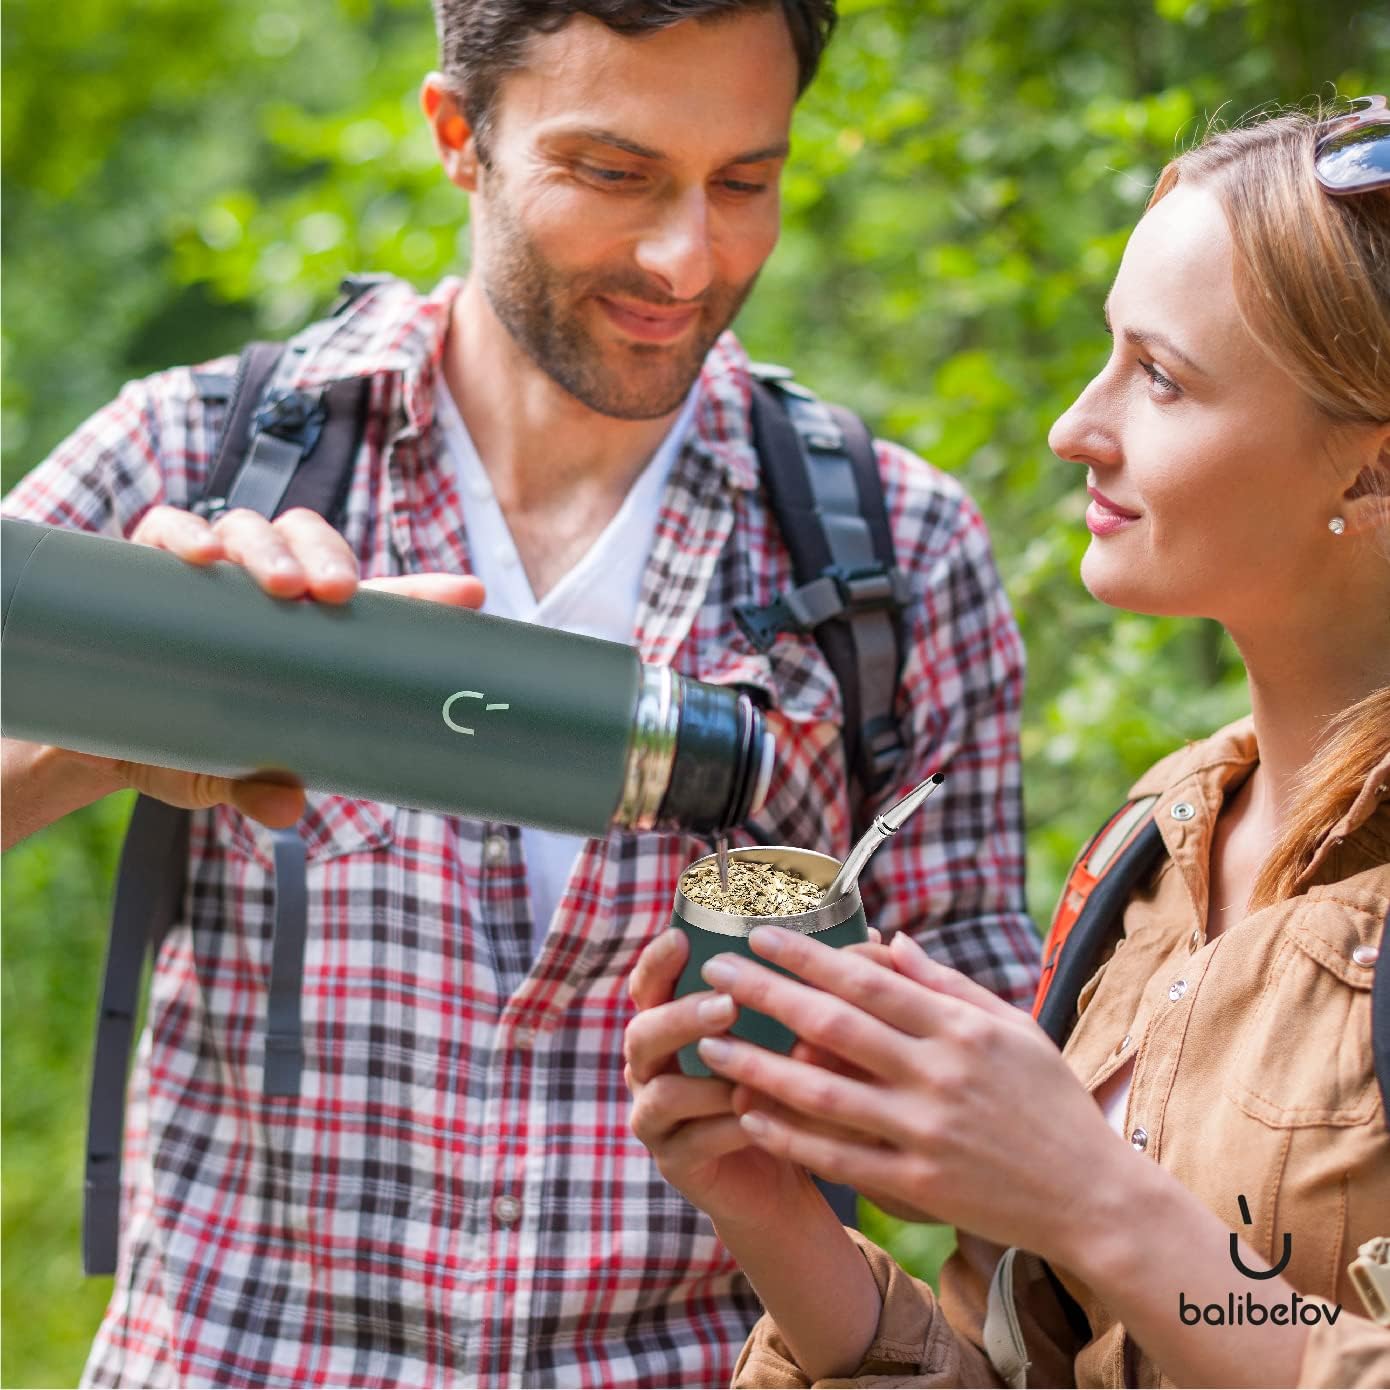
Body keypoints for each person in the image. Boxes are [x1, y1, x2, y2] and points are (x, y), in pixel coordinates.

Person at [0, 1, 1041, 1384]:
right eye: (613, 173)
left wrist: (831, 1045)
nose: (688, 257)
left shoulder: (891, 556)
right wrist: (118, 723)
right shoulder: (200, 453)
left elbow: (989, 1163)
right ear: (457, 134)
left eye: (745, 181)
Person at [625, 102, 1390, 1388]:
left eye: (1161, 377)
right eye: (1108, 355)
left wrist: (1093, 1195)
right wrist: (774, 1216)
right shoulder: (1146, 858)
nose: (1074, 428)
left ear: (1369, 474)